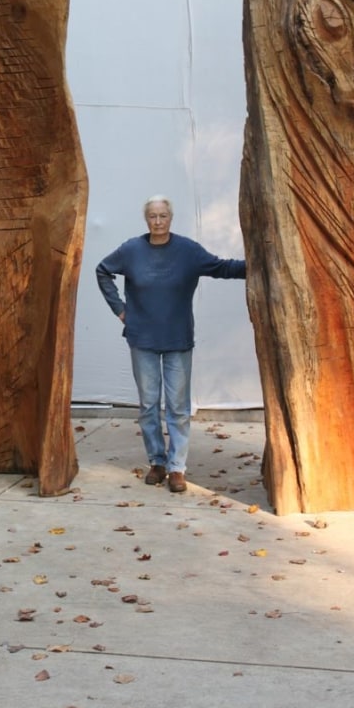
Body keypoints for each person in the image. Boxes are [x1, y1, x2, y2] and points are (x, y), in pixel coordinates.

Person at [96, 196, 246, 492]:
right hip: (143, 339)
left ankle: (177, 468)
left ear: (171, 218)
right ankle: (157, 462)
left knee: (177, 406)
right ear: (146, 219)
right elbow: (102, 270)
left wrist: (258, 263)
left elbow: (221, 267)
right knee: (149, 406)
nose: (158, 221)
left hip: (177, 338)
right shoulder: (132, 250)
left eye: (163, 215)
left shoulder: (187, 251)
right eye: (152, 216)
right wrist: (120, 310)